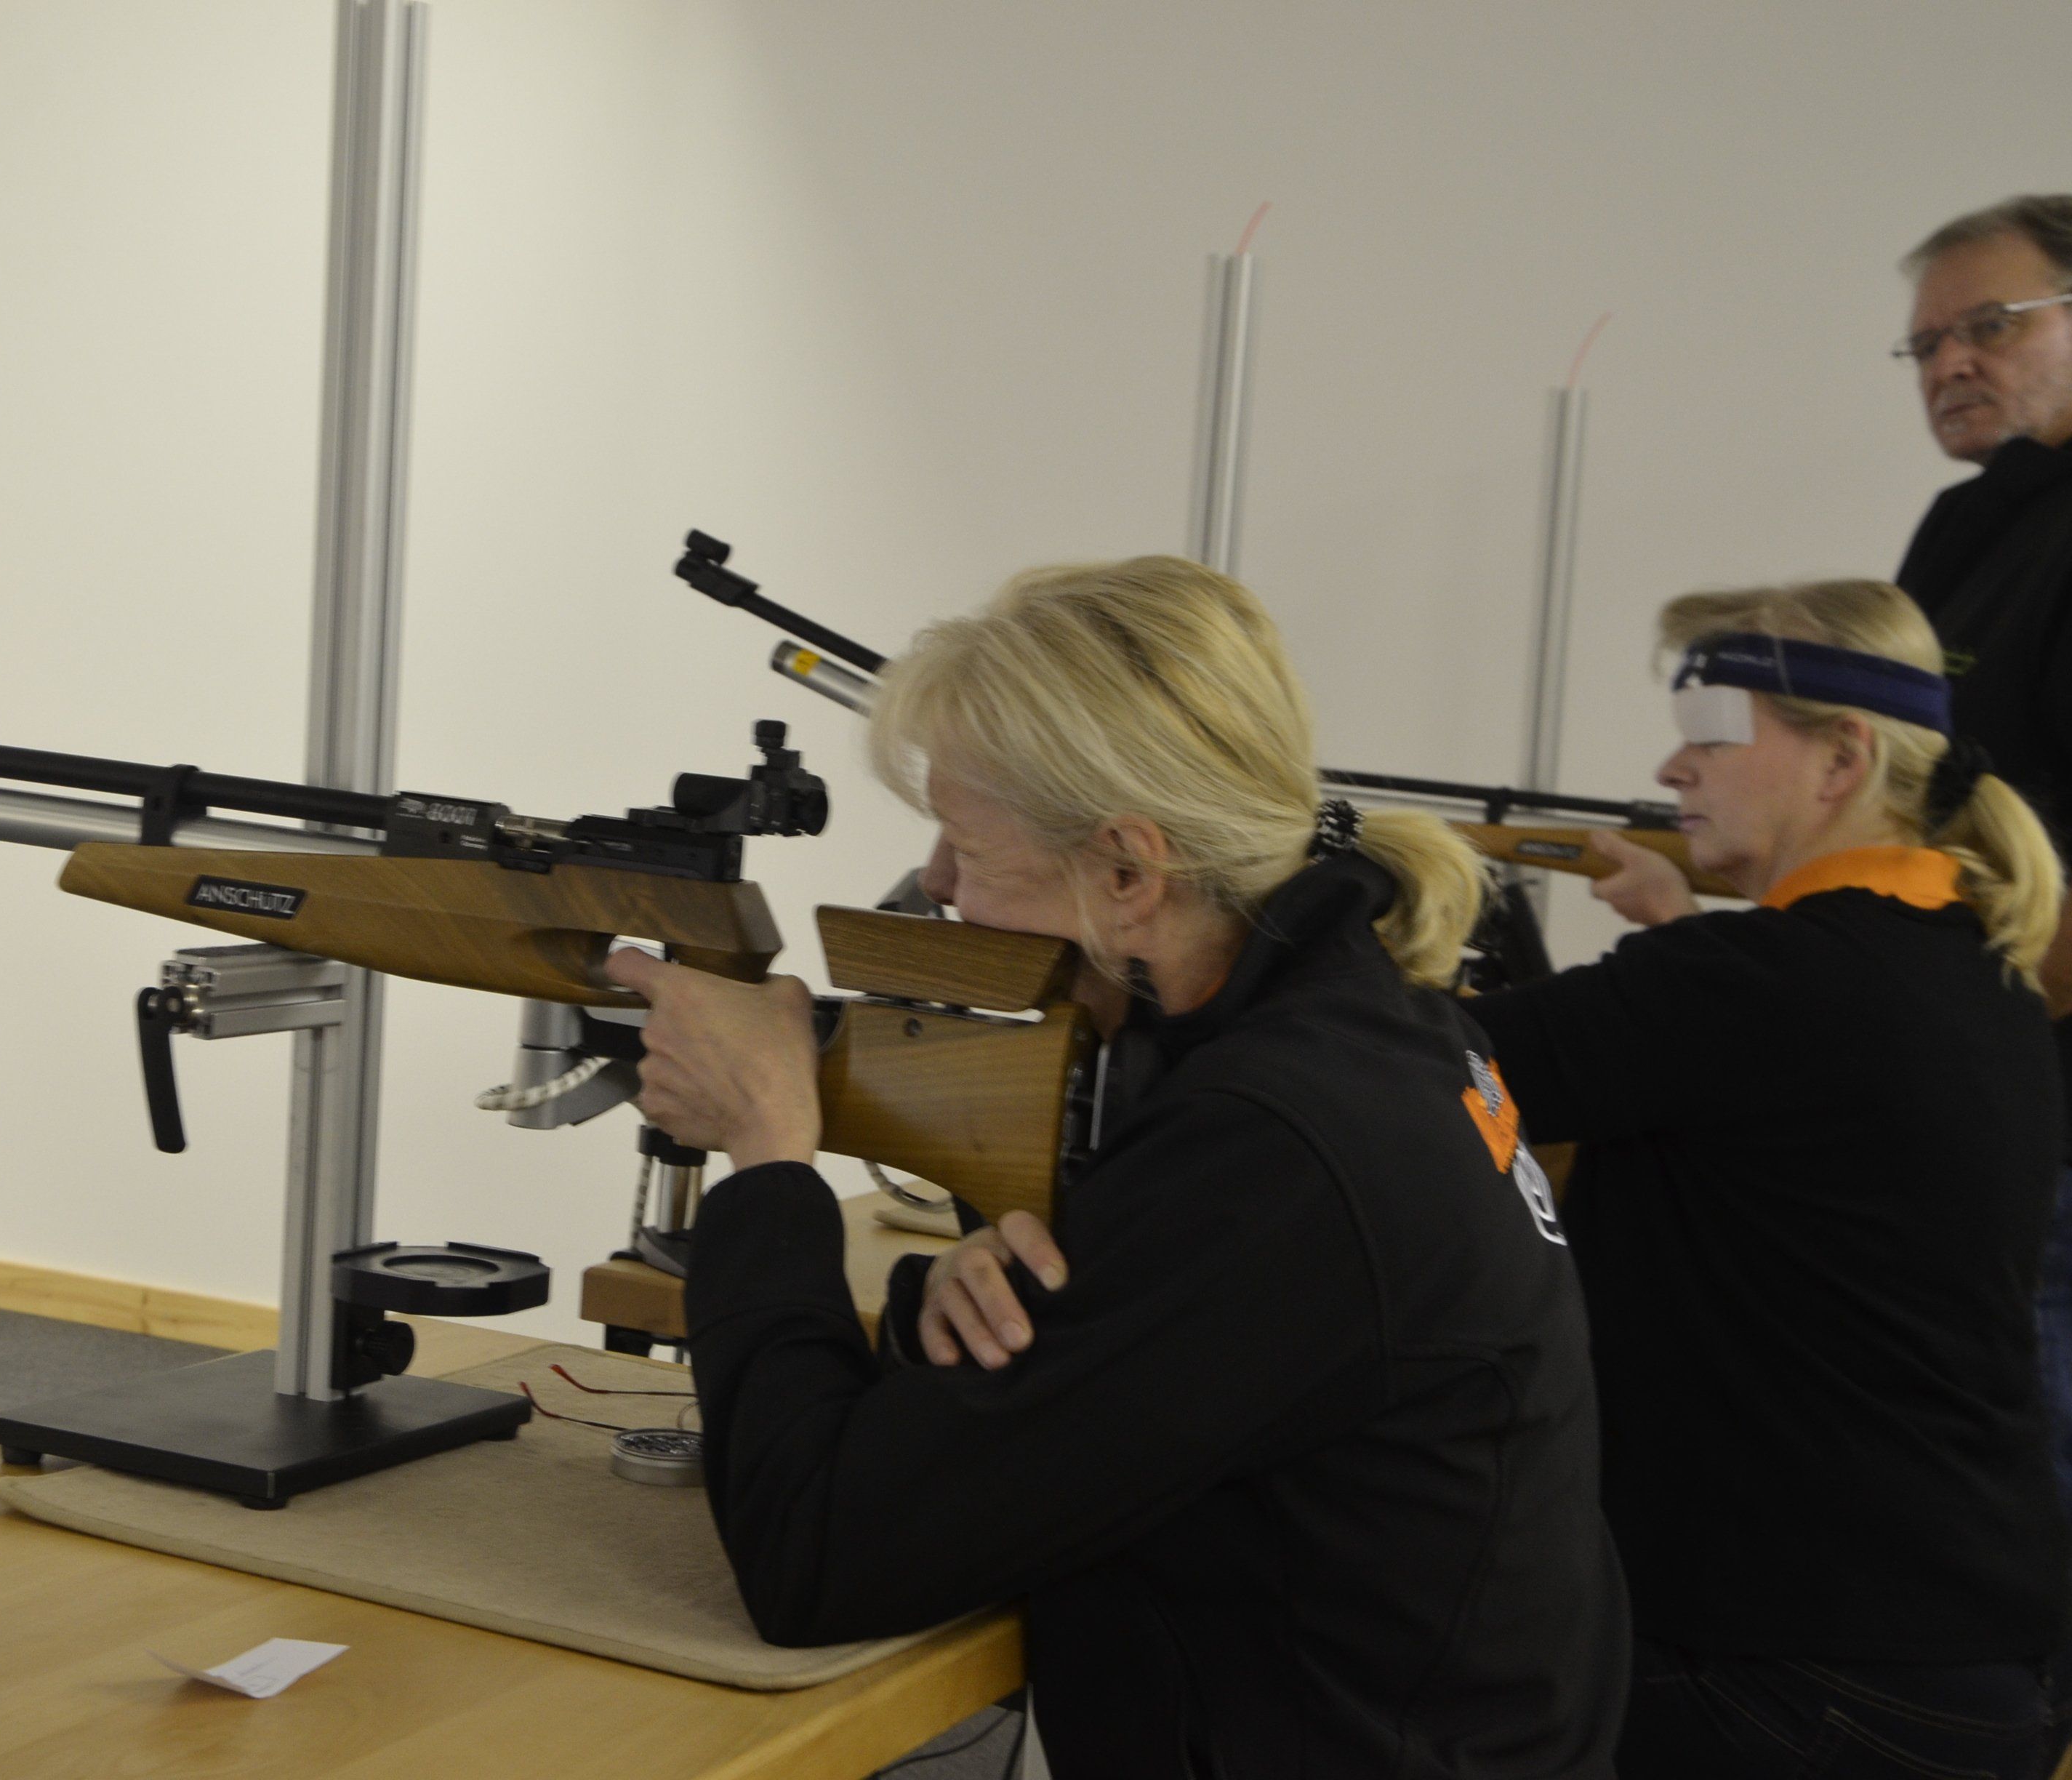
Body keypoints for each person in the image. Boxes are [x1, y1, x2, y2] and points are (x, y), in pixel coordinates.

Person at [605, 557, 1629, 1779]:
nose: (939, 884)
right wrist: (955, 1298)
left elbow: (812, 1556)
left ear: (1130, 877)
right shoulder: (1367, 1039)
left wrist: (767, 1151)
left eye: (965, 844)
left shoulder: (1274, 1145)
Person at [1476, 581, 2068, 1776]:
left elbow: (1408, 1068)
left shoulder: (1762, 981)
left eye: (1711, 735)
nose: (1673, 767)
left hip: (1795, 1673)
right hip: (1956, 1652)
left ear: (1843, 757)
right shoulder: (1974, 967)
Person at [1891, 195, 2072, 1536]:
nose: (1952, 363)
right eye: (1927, 344)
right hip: (1964, 1074)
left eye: (1991, 326)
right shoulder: (1967, 529)